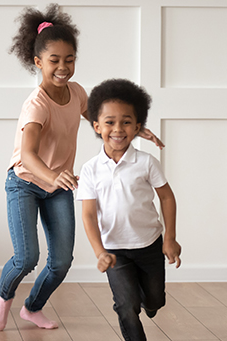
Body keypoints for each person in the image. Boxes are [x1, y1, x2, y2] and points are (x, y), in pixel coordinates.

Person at [0, 5, 163, 332]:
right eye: (54, 60)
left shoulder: (78, 93)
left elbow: (103, 122)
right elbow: (26, 155)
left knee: (61, 262)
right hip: (25, 183)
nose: (63, 67)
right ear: (38, 62)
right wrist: (53, 175)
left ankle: (32, 307)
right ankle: (4, 296)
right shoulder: (36, 104)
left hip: (58, 187)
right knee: (27, 258)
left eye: (69, 59)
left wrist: (137, 130)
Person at [76, 79, 182, 341]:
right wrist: (100, 252)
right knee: (126, 306)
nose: (118, 129)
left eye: (126, 122)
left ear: (137, 127)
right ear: (97, 126)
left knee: (155, 300)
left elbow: (167, 198)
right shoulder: (90, 169)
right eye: (109, 122)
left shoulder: (146, 162)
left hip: (149, 245)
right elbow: (89, 215)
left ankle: (151, 302)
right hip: (114, 250)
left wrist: (169, 238)